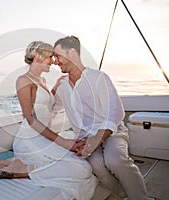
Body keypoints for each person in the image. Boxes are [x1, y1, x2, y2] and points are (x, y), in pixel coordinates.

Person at [0, 41, 97, 200]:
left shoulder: (43, 82)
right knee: (82, 170)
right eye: (50, 57)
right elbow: (31, 118)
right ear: (38, 56)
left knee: (83, 166)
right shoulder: (23, 80)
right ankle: (21, 170)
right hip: (28, 140)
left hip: (44, 138)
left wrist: (55, 88)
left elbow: (45, 106)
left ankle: (20, 164)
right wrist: (64, 142)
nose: (54, 61)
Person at [51, 36, 148, 200]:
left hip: (112, 132)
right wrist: (52, 90)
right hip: (83, 137)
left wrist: (96, 139)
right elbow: (52, 108)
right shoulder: (62, 86)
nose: (55, 61)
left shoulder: (98, 78)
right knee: (96, 166)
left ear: (72, 53)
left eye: (58, 56)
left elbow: (115, 112)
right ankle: (123, 194)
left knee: (115, 160)